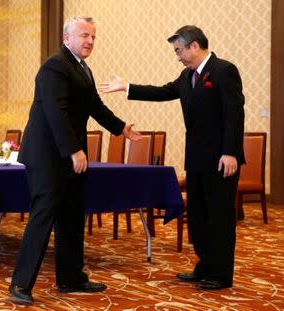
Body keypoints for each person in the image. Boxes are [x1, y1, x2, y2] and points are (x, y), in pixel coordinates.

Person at [99, 25, 245, 290]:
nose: (177, 55)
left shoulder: (224, 71)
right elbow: (162, 92)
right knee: (199, 216)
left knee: (219, 216)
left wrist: (230, 152)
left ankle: (221, 274)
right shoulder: (186, 76)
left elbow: (235, 115)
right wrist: (127, 87)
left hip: (223, 160)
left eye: (179, 50)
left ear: (194, 46)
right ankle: (205, 265)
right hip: (197, 160)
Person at [10, 16, 141, 305]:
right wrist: (74, 150)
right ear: (67, 38)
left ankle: (71, 279)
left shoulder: (82, 68)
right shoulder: (55, 66)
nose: (90, 41)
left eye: (93, 37)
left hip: (68, 155)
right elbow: (56, 112)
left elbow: (94, 105)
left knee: (72, 217)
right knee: (43, 217)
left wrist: (120, 128)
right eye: (84, 36)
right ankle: (20, 284)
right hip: (48, 156)